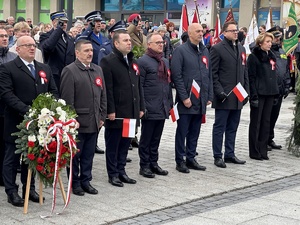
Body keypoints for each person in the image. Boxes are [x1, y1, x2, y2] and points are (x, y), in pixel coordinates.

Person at [0, 36, 58, 207]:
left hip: (39, 124)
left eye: (34, 45)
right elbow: (7, 94)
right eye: (27, 46)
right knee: (12, 158)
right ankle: (11, 191)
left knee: (32, 157)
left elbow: (53, 91)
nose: (32, 48)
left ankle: (29, 188)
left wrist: (49, 108)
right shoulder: (7, 68)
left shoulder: (44, 68)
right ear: (17, 49)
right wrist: (28, 111)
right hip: (16, 122)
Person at [60, 40, 107, 196]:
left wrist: (102, 115)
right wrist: (72, 120)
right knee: (75, 156)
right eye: (86, 51)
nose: (90, 53)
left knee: (88, 155)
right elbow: (67, 100)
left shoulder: (97, 69)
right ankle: (75, 183)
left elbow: (103, 95)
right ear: (77, 53)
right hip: (79, 122)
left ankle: (86, 180)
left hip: (94, 121)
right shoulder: (70, 70)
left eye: (91, 50)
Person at [100, 30, 144, 187]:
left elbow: (138, 87)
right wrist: (110, 110)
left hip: (131, 112)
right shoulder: (108, 61)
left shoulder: (133, 62)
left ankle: (122, 171)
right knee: (114, 144)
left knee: (126, 144)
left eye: (129, 40)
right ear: (116, 43)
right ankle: (113, 174)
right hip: (117, 113)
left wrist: (141, 106)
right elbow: (108, 89)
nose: (129, 42)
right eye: (125, 40)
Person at [171, 23, 213, 173]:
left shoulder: (204, 51)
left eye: (202, 31)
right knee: (182, 131)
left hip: (200, 100)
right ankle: (180, 160)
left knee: (195, 131)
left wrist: (209, 95)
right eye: (198, 31)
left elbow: (208, 75)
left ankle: (191, 158)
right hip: (186, 101)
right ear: (189, 33)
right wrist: (183, 97)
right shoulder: (180, 51)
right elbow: (177, 76)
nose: (201, 33)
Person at [210, 21, 248, 168]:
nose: (235, 32)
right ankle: (217, 155)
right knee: (220, 127)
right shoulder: (217, 49)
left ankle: (230, 154)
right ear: (224, 33)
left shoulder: (241, 48)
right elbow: (213, 73)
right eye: (232, 30)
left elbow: (244, 71)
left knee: (233, 126)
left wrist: (246, 92)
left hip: (238, 95)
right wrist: (219, 91)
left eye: (236, 30)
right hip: (224, 95)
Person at [137, 33, 173, 178]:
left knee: (156, 138)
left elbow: (167, 84)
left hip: (162, 106)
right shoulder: (143, 62)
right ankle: (144, 165)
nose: (161, 44)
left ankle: (154, 163)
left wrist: (169, 103)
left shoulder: (164, 61)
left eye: (162, 42)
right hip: (149, 107)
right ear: (149, 44)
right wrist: (142, 106)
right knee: (146, 138)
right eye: (157, 42)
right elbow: (140, 87)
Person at [247, 32, 279, 160]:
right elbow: (252, 77)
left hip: (270, 93)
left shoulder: (271, 56)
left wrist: (276, 91)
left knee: (266, 122)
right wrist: (253, 96)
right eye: (267, 42)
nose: (270, 44)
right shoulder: (254, 57)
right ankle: (254, 151)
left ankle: (263, 149)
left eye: (270, 42)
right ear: (260, 43)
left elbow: (273, 76)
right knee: (256, 122)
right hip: (259, 93)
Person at [39, 11, 75, 91]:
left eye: (65, 22)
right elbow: (48, 47)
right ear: (53, 22)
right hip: (54, 77)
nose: (64, 24)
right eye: (61, 22)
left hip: (68, 75)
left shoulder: (69, 38)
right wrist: (59, 30)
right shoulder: (45, 36)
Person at [0, 29, 17, 186]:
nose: (5, 38)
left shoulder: (12, 56)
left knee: (7, 145)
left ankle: (5, 177)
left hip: (10, 108)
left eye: (6, 36)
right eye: (1, 36)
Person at [267, 30, 290, 150]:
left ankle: (270, 138)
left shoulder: (282, 51)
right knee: (266, 117)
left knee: (274, 116)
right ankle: (263, 140)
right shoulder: (267, 51)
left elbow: (285, 70)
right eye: (275, 37)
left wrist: (287, 86)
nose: (277, 40)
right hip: (270, 90)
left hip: (280, 90)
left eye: (279, 38)